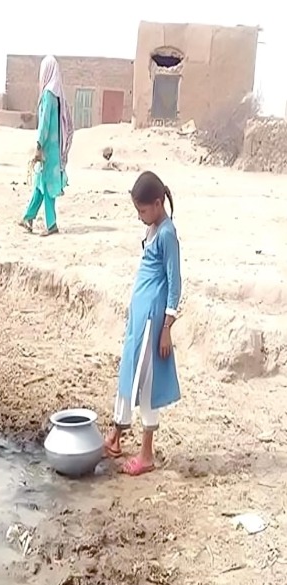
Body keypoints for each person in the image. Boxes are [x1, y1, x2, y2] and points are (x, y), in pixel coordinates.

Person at [104, 171, 182, 475]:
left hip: (152, 319)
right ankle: (115, 436)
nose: (139, 216)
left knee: (147, 381)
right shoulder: (153, 228)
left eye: (142, 210)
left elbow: (175, 283)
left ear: (158, 204)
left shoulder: (167, 234)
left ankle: (146, 454)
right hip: (139, 318)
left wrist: (166, 328)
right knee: (128, 371)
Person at [20, 55, 74, 236]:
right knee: (40, 183)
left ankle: (51, 224)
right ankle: (28, 217)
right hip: (55, 147)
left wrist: (39, 145)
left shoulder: (48, 95)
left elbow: (44, 123)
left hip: (47, 148)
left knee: (47, 184)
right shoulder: (59, 96)